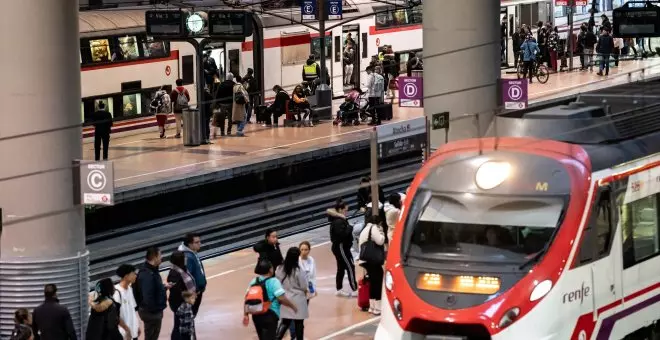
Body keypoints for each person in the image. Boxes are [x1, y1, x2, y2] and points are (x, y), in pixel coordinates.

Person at [243, 259, 298, 340]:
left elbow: (247, 298)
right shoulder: (274, 281)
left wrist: (246, 314)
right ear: (270, 270)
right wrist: (293, 306)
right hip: (270, 315)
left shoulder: (254, 281)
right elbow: (281, 298)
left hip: (256, 315)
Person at [275, 247, 309, 340]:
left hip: (285, 298)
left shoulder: (279, 268)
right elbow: (303, 286)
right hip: (298, 299)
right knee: (299, 323)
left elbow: (277, 282)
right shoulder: (298, 270)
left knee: (285, 322)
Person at [136, 247, 168, 340]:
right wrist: (155, 311)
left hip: (152, 312)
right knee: (151, 337)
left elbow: (153, 289)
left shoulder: (151, 270)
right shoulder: (147, 274)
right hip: (151, 313)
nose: (161, 258)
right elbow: (148, 296)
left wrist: (164, 288)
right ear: (154, 257)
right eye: (160, 256)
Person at [328, 199, 358, 297]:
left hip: (341, 247)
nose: (346, 212)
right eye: (345, 210)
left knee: (341, 268)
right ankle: (354, 289)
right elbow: (342, 235)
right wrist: (350, 227)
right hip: (341, 247)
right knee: (350, 266)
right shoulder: (338, 222)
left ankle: (339, 288)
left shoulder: (339, 220)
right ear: (340, 210)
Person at [358, 215, 386, 316]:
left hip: (365, 259)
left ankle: (372, 306)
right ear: (378, 223)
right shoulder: (373, 228)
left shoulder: (365, 229)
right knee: (377, 281)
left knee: (373, 282)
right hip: (372, 260)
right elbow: (380, 240)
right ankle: (377, 307)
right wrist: (382, 232)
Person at [167, 251, 197, 340]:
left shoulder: (182, 269)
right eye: (184, 257)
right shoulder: (174, 274)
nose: (186, 259)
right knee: (180, 327)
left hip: (185, 302)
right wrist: (189, 297)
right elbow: (177, 292)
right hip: (181, 305)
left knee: (185, 325)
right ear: (179, 260)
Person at [178, 233, 207, 316]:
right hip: (193, 294)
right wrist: (194, 291)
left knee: (191, 315)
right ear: (190, 244)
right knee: (190, 315)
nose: (200, 244)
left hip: (196, 292)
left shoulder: (192, 253)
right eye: (197, 242)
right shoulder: (188, 257)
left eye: (200, 242)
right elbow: (187, 277)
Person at [113, 264, 141, 340]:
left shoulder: (130, 289)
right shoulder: (116, 293)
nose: (136, 275)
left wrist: (137, 326)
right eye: (133, 274)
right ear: (126, 276)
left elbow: (132, 310)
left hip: (133, 333)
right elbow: (115, 316)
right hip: (124, 335)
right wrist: (127, 330)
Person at [213, 73, 236, 137]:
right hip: (231, 104)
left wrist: (216, 103)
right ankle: (229, 131)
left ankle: (222, 132)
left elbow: (217, 94)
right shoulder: (234, 84)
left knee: (222, 118)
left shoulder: (221, 84)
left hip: (222, 104)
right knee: (230, 118)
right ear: (232, 78)